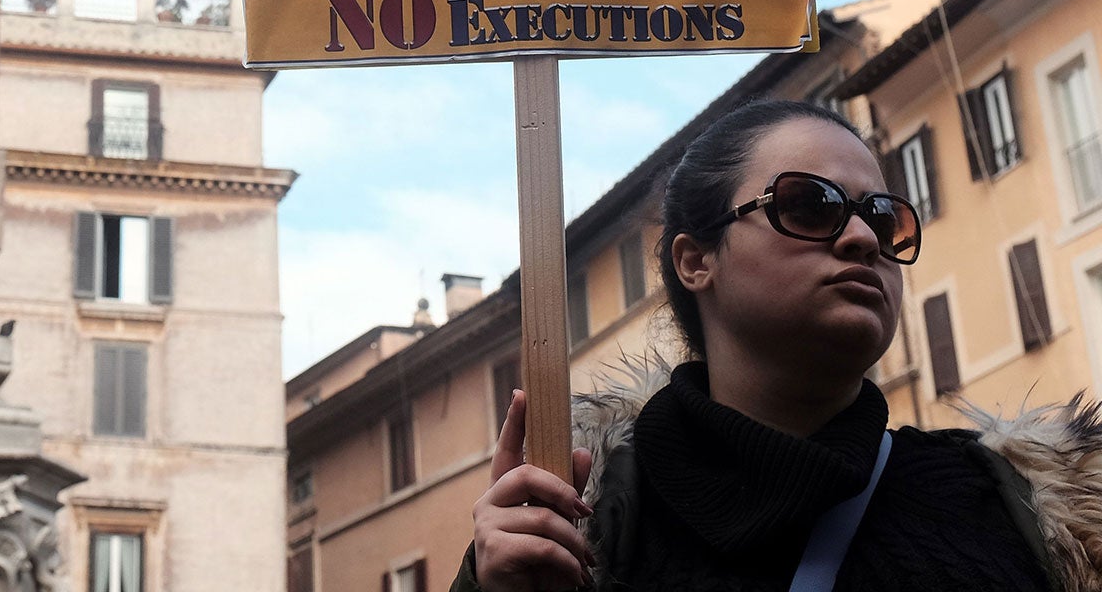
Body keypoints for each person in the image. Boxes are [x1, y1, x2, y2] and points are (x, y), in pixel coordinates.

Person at [455, 99, 1101, 591]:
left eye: (883, 217)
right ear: (696, 260)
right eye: (810, 205)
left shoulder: (1023, 512)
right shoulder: (578, 526)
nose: (863, 239)